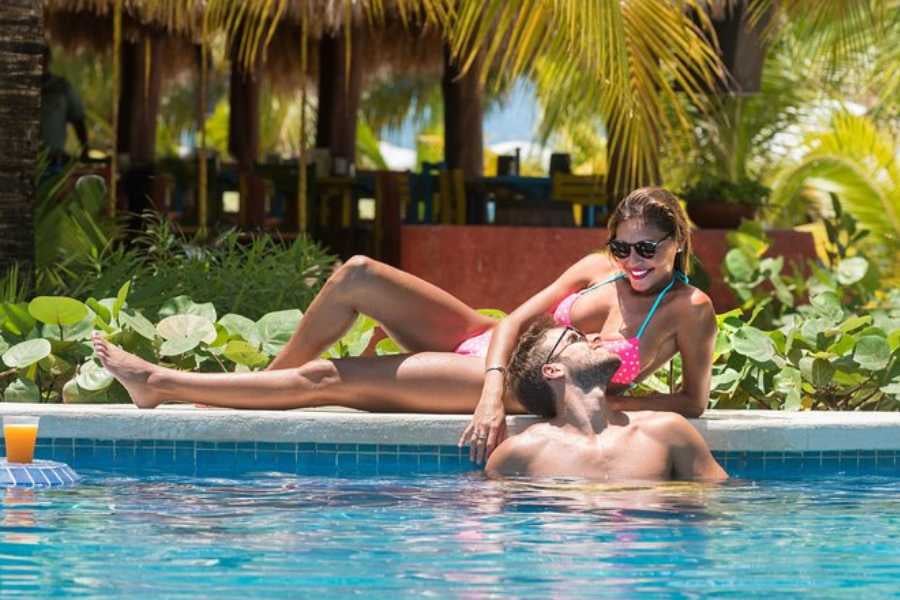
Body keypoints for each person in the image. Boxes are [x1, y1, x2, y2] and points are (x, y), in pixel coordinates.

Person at [92, 186, 717, 464]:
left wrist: (604, 396)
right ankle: (258, 394)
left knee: (331, 379)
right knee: (358, 272)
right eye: (623, 246)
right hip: (488, 354)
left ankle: (160, 382)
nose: (633, 261)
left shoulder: (689, 311)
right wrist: (492, 390)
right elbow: (514, 323)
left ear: (677, 244)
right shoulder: (594, 268)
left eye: (648, 249)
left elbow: (692, 400)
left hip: (527, 383)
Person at [484, 317, 726, 481]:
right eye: (575, 339)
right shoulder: (521, 452)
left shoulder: (667, 431)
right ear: (552, 370)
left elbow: (716, 513)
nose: (596, 337)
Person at [40, 46, 89, 168]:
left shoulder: (61, 87)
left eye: (43, 57)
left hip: (53, 158)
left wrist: (85, 149)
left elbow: (78, 119)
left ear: (48, 59)